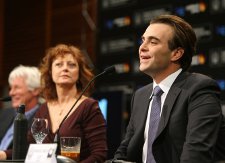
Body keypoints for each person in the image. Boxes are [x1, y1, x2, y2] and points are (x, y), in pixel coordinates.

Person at [113, 14, 225, 163]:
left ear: (176, 53)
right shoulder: (140, 95)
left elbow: (196, 154)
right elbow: (125, 150)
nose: (142, 48)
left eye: (153, 42)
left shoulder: (200, 89)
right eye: (143, 40)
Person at [18, 44, 106, 162]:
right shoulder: (43, 109)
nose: (65, 68)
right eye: (59, 64)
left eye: (72, 65)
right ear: (50, 72)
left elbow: (99, 154)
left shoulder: (88, 106)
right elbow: (28, 147)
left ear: (79, 72)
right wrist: (3, 154)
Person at [0, 65, 42, 159]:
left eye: (17, 87)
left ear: (35, 90)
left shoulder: (43, 117)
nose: (11, 93)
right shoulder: (3, 114)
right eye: (11, 88)